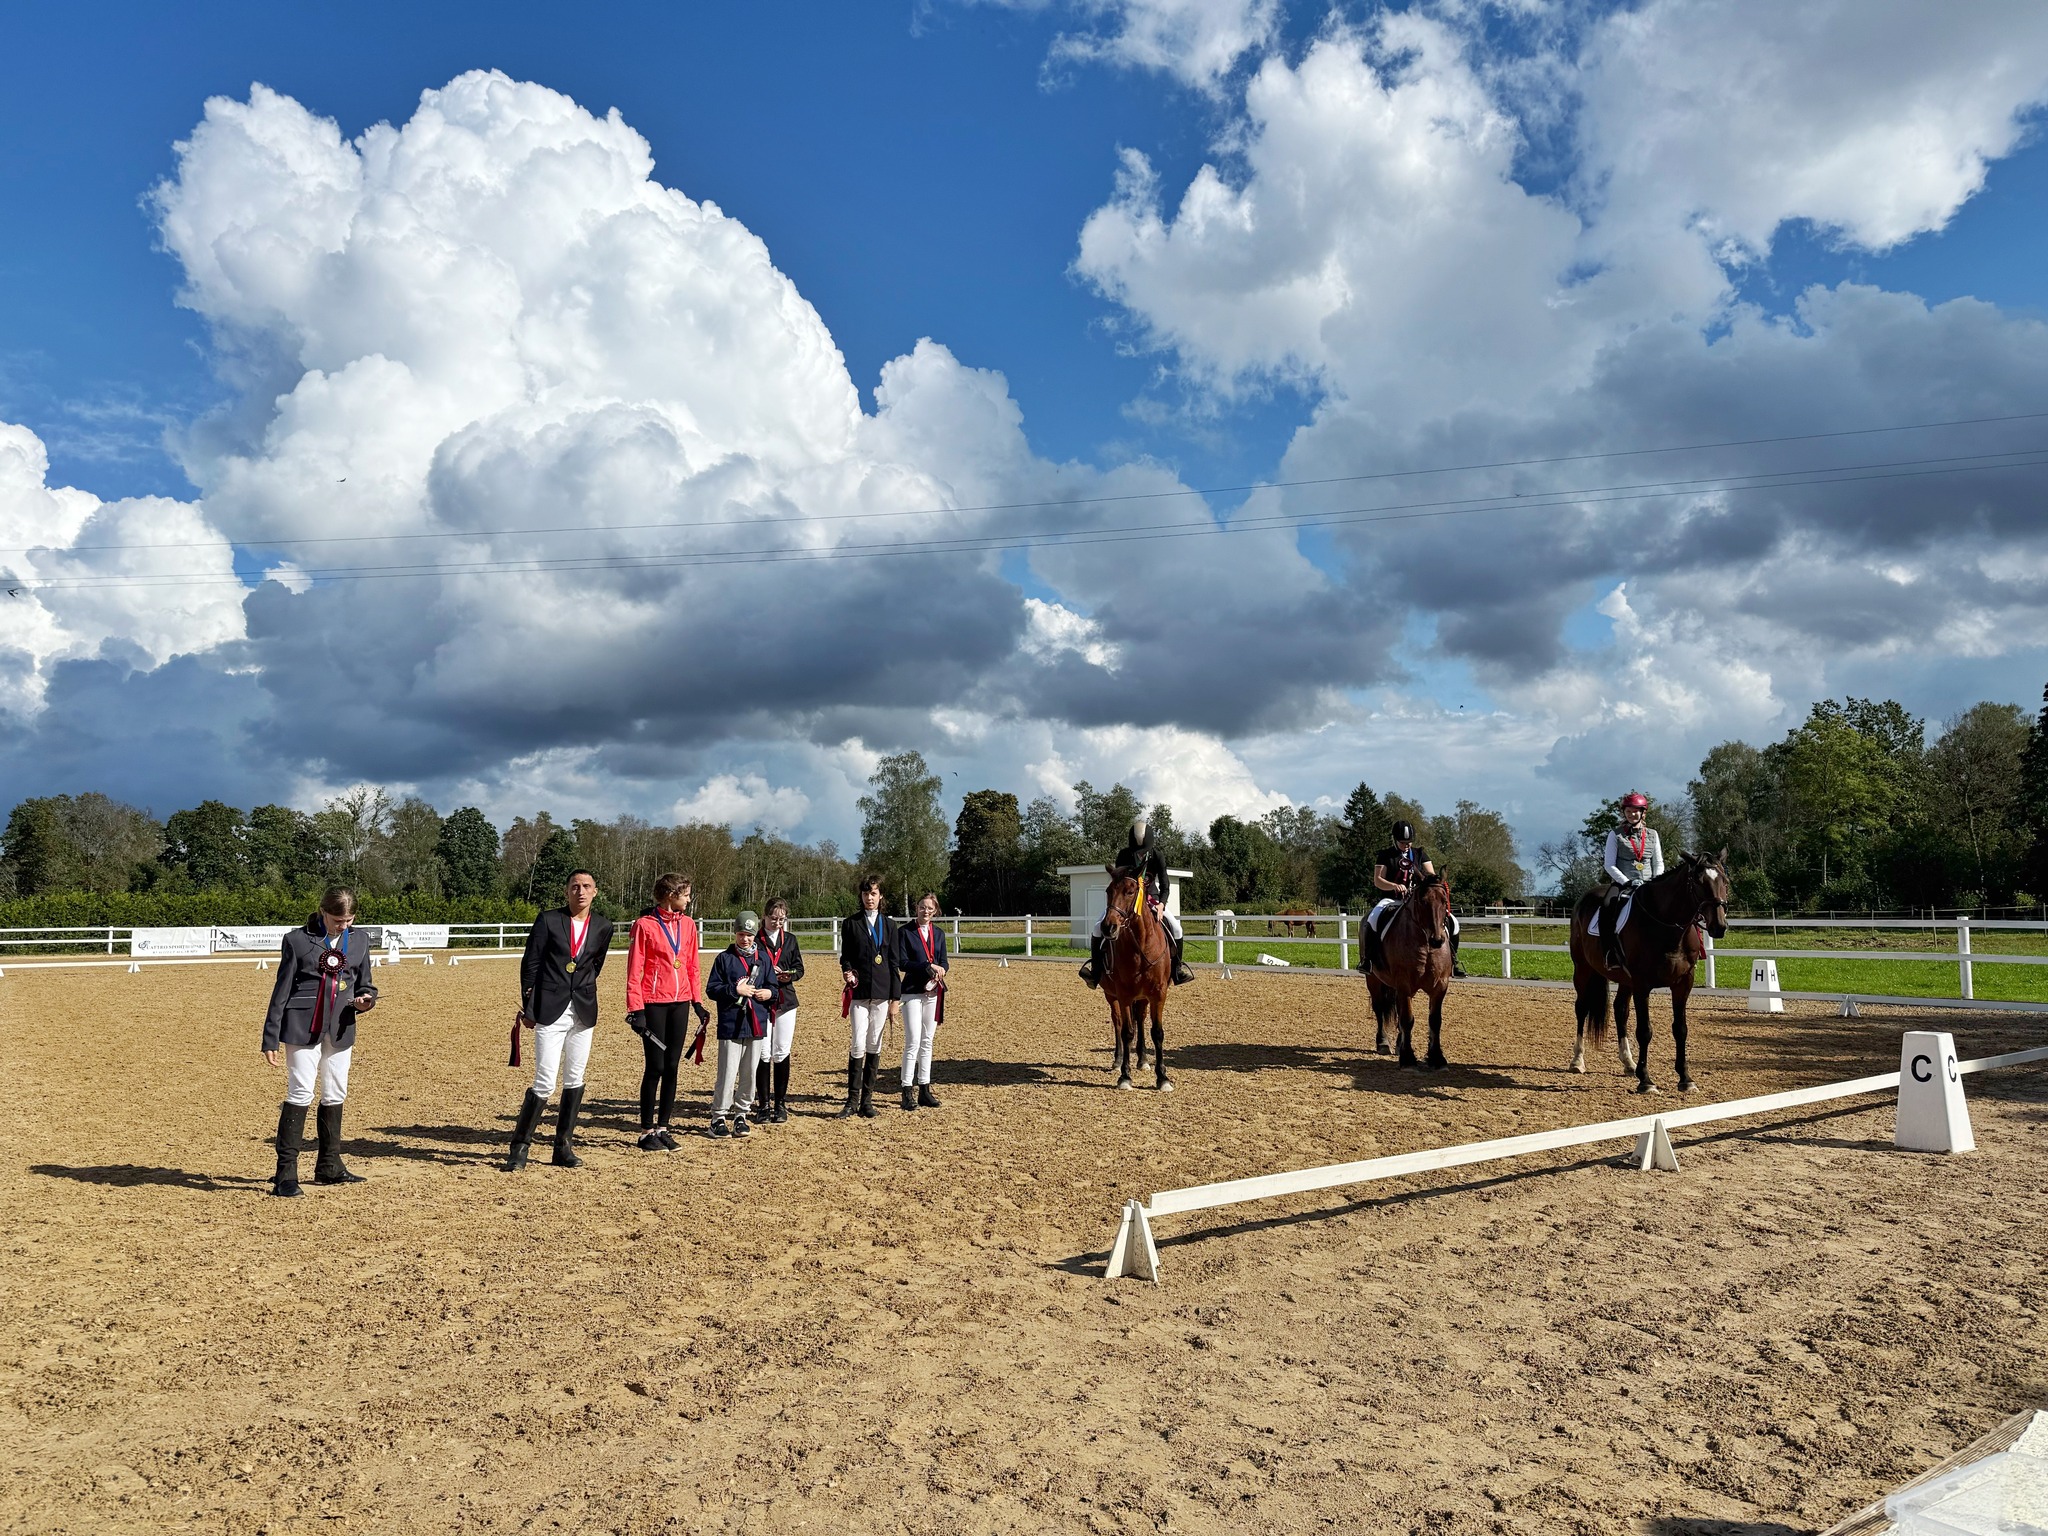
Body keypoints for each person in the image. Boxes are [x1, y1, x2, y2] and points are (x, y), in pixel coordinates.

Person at [261, 886, 379, 1196]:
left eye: (349, 920)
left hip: (340, 1026)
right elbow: (281, 990)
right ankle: (285, 1174)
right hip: (302, 1025)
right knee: (301, 1090)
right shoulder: (297, 940)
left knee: (335, 1091)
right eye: (338, 920)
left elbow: (365, 983)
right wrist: (270, 1036)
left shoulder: (360, 940)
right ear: (323, 912)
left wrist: (366, 1000)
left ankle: (329, 1165)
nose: (344, 926)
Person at [504, 870, 615, 1172]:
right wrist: (530, 1005)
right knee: (545, 1079)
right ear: (567, 891)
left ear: (595, 892)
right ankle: (520, 1146)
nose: (581, 891)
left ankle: (562, 1146)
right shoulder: (549, 920)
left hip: (583, 1009)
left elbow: (596, 964)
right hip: (551, 1008)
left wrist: (581, 988)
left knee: (575, 1077)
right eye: (575, 886)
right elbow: (531, 963)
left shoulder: (603, 926)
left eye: (587, 886)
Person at [623, 872, 711, 1151]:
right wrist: (636, 1008)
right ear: (672, 895)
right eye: (686, 894)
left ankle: (663, 1127)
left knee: (672, 1066)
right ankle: (646, 1131)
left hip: (680, 1002)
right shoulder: (644, 925)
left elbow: (692, 966)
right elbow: (634, 969)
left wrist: (697, 1002)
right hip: (653, 1003)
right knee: (656, 1067)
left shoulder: (688, 925)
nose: (689, 899)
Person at [1078, 816, 1196, 988]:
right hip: (1126, 900)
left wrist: (1161, 905)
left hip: (1152, 899)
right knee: (1098, 928)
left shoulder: (1157, 856)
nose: (1139, 853)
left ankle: (1176, 970)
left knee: (1177, 929)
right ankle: (1095, 972)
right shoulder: (1124, 855)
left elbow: (1165, 884)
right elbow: (1118, 881)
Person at [704, 911, 777, 1138]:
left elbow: (773, 987)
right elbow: (712, 989)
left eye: (749, 935)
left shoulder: (763, 959)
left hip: (755, 1024)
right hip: (731, 1024)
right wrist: (734, 990)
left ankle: (741, 1115)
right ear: (735, 934)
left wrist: (769, 993)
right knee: (727, 1073)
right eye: (741, 934)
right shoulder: (724, 959)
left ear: (755, 935)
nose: (745, 939)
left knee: (749, 1073)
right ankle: (718, 1117)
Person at [1360, 822, 1465, 978]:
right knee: (1373, 919)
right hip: (1392, 900)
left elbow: (1431, 876)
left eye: (1409, 842)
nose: (1406, 845)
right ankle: (1368, 960)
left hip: (1417, 901)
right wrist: (1394, 886)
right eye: (1403, 842)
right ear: (1395, 840)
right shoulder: (1386, 855)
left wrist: (1425, 881)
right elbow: (1378, 880)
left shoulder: (1419, 854)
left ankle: (1454, 962)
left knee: (1453, 922)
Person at [835, 874, 900, 1120]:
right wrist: (847, 971)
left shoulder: (890, 926)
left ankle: (867, 1101)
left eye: (873, 893)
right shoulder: (851, 923)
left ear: (880, 896)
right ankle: (851, 1100)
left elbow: (893, 963)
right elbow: (846, 956)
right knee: (857, 1043)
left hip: (882, 992)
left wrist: (895, 999)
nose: (869, 898)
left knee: (874, 1043)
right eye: (865, 894)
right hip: (860, 992)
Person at [751, 898, 805, 1124]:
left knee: (781, 1051)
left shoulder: (790, 940)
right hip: (762, 1001)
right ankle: (763, 1104)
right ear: (764, 917)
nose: (777, 923)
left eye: (782, 919)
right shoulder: (755, 940)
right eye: (773, 919)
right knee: (763, 1053)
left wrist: (787, 975)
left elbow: (799, 968)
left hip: (785, 1000)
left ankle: (780, 1104)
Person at [894, 892, 948, 1111]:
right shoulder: (905, 932)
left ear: (935, 911)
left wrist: (942, 969)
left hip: (932, 992)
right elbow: (902, 963)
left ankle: (925, 1087)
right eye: (922, 907)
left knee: (927, 1040)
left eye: (930, 908)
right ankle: (907, 1089)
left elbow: (944, 960)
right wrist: (927, 966)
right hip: (912, 992)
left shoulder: (939, 933)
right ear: (916, 908)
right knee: (913, 1040)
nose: (926, 911)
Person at [1599, 792, 1665, 970]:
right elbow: (1609, 864)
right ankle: (1610, 953)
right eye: (1628, 811)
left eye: (1635, 811)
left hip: (1649, 884)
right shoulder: (1615, 835)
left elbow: (1658, 862)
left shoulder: (1653, 835)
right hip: (1623, 884)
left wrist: (1655, 881)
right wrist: (1627, 882)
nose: (1631, 814)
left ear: (1643, 813)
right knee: (1607, 907)